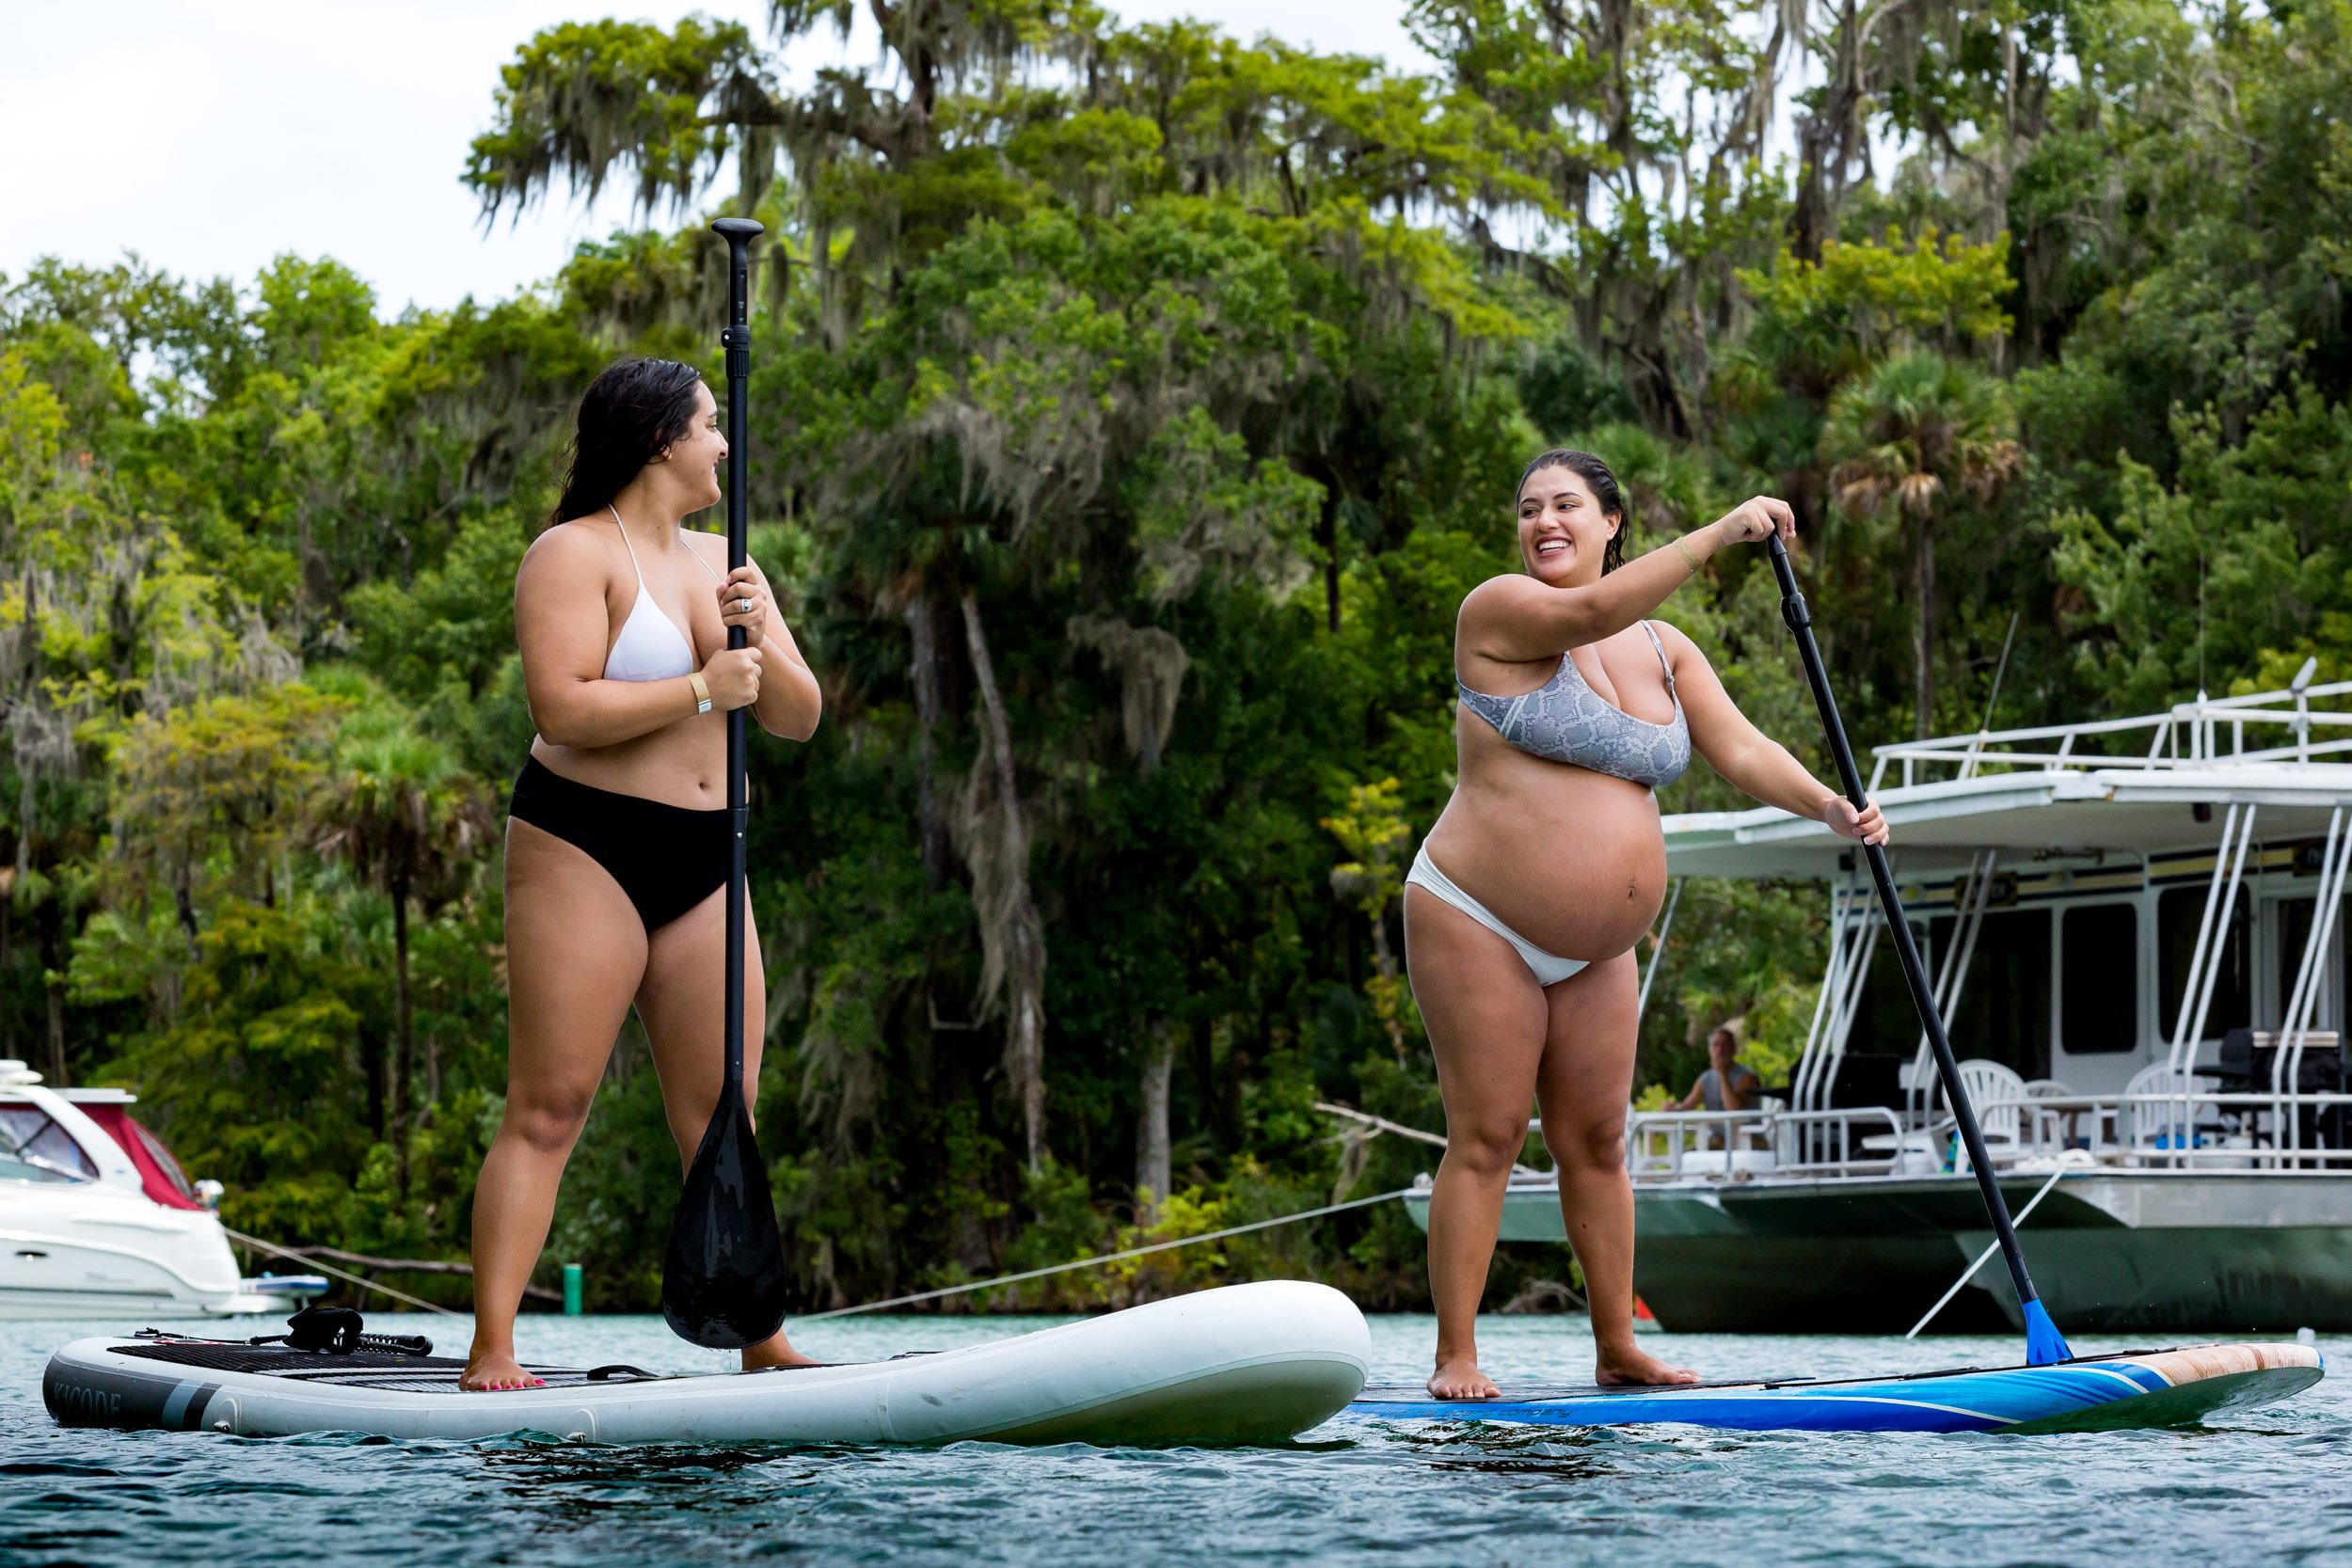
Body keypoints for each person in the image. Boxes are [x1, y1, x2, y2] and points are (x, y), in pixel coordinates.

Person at [1405, 448, 1889, 1400]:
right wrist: (1719, 533)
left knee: (1596, 1142)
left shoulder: (1666, 648)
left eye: (1567, 505)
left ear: (1611, 521)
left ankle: (1618, 1345)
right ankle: (1455, 1352)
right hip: (1476, 915)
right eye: (1529, 507)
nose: (1544, 521)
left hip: (1594, 947)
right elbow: (1589, 613)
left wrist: (1829, 804)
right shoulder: (1497, 608)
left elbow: (1740, 746)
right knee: (1489, 1133)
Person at [463, 357, 824, 1391]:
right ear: (662, 438)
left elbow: (797, 717)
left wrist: (761, 639)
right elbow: (562, 709)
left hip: (709, 854)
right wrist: (705, 686)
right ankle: (493, 1345)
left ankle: (761, 1334)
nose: (725, 444)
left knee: (726, 1111)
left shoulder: (728, 559)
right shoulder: (570, 554)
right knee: (552, 1101)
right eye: (711, 426)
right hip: (587, 842)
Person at [1675, 1027, 1761, 1113]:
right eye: (1716, 1045)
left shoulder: (1748, 1077)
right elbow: (1688, 1105)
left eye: (1725, 1044)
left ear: (1734, 1048)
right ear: (1710, 1050)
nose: (1720, 1050)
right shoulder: (1706, 1078)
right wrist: (1674, 1108)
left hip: (1746, 1127)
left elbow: (1733, 1109)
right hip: (1713, 1127)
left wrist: (1723, 1074)